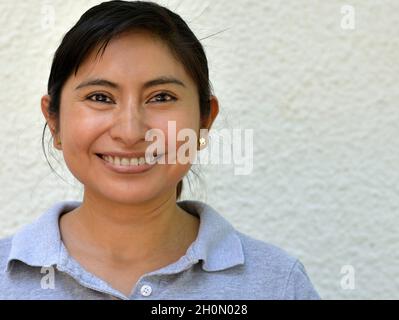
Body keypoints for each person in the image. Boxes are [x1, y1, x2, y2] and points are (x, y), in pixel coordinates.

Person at [0, 0, 320, 300]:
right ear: (54, 121)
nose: (130, 132)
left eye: (161, 97)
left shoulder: (277, 283)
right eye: (100, 97)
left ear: (204, 119)